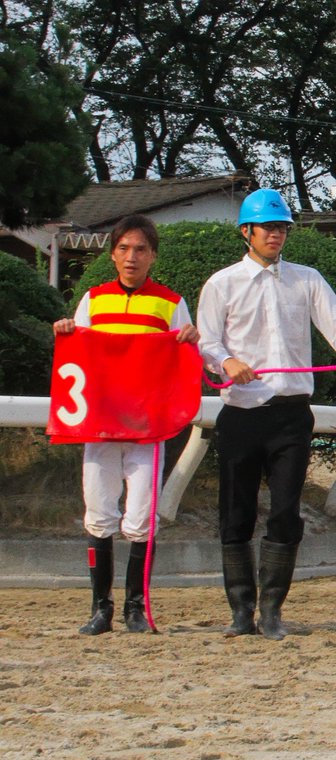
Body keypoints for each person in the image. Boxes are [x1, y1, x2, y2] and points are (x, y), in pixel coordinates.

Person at [197, 188, 336, 641]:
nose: (277, 235)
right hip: (242, 413)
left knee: (285, 513)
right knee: (236, 513)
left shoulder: (307, 279)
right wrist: (226, 363)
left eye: (282, 228)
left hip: (291, 416)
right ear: (247, 232)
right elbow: (207, 341)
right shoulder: (222, 284)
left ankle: (273, 610)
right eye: (269, 228)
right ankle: (242, 612)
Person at [53, 214, 200, 635]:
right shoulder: (94, 300)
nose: (131, 257)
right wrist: (65, 330)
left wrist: (192, 340)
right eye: (123, 249)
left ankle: (136, 607)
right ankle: (101, 609)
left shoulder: (170, 303)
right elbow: (76, 351)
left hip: (147, 427)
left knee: (140, 517)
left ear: (152, 255)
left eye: (139, 249)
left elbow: (185, 355)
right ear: (113, 254)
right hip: (100, 424)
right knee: (98, 512)